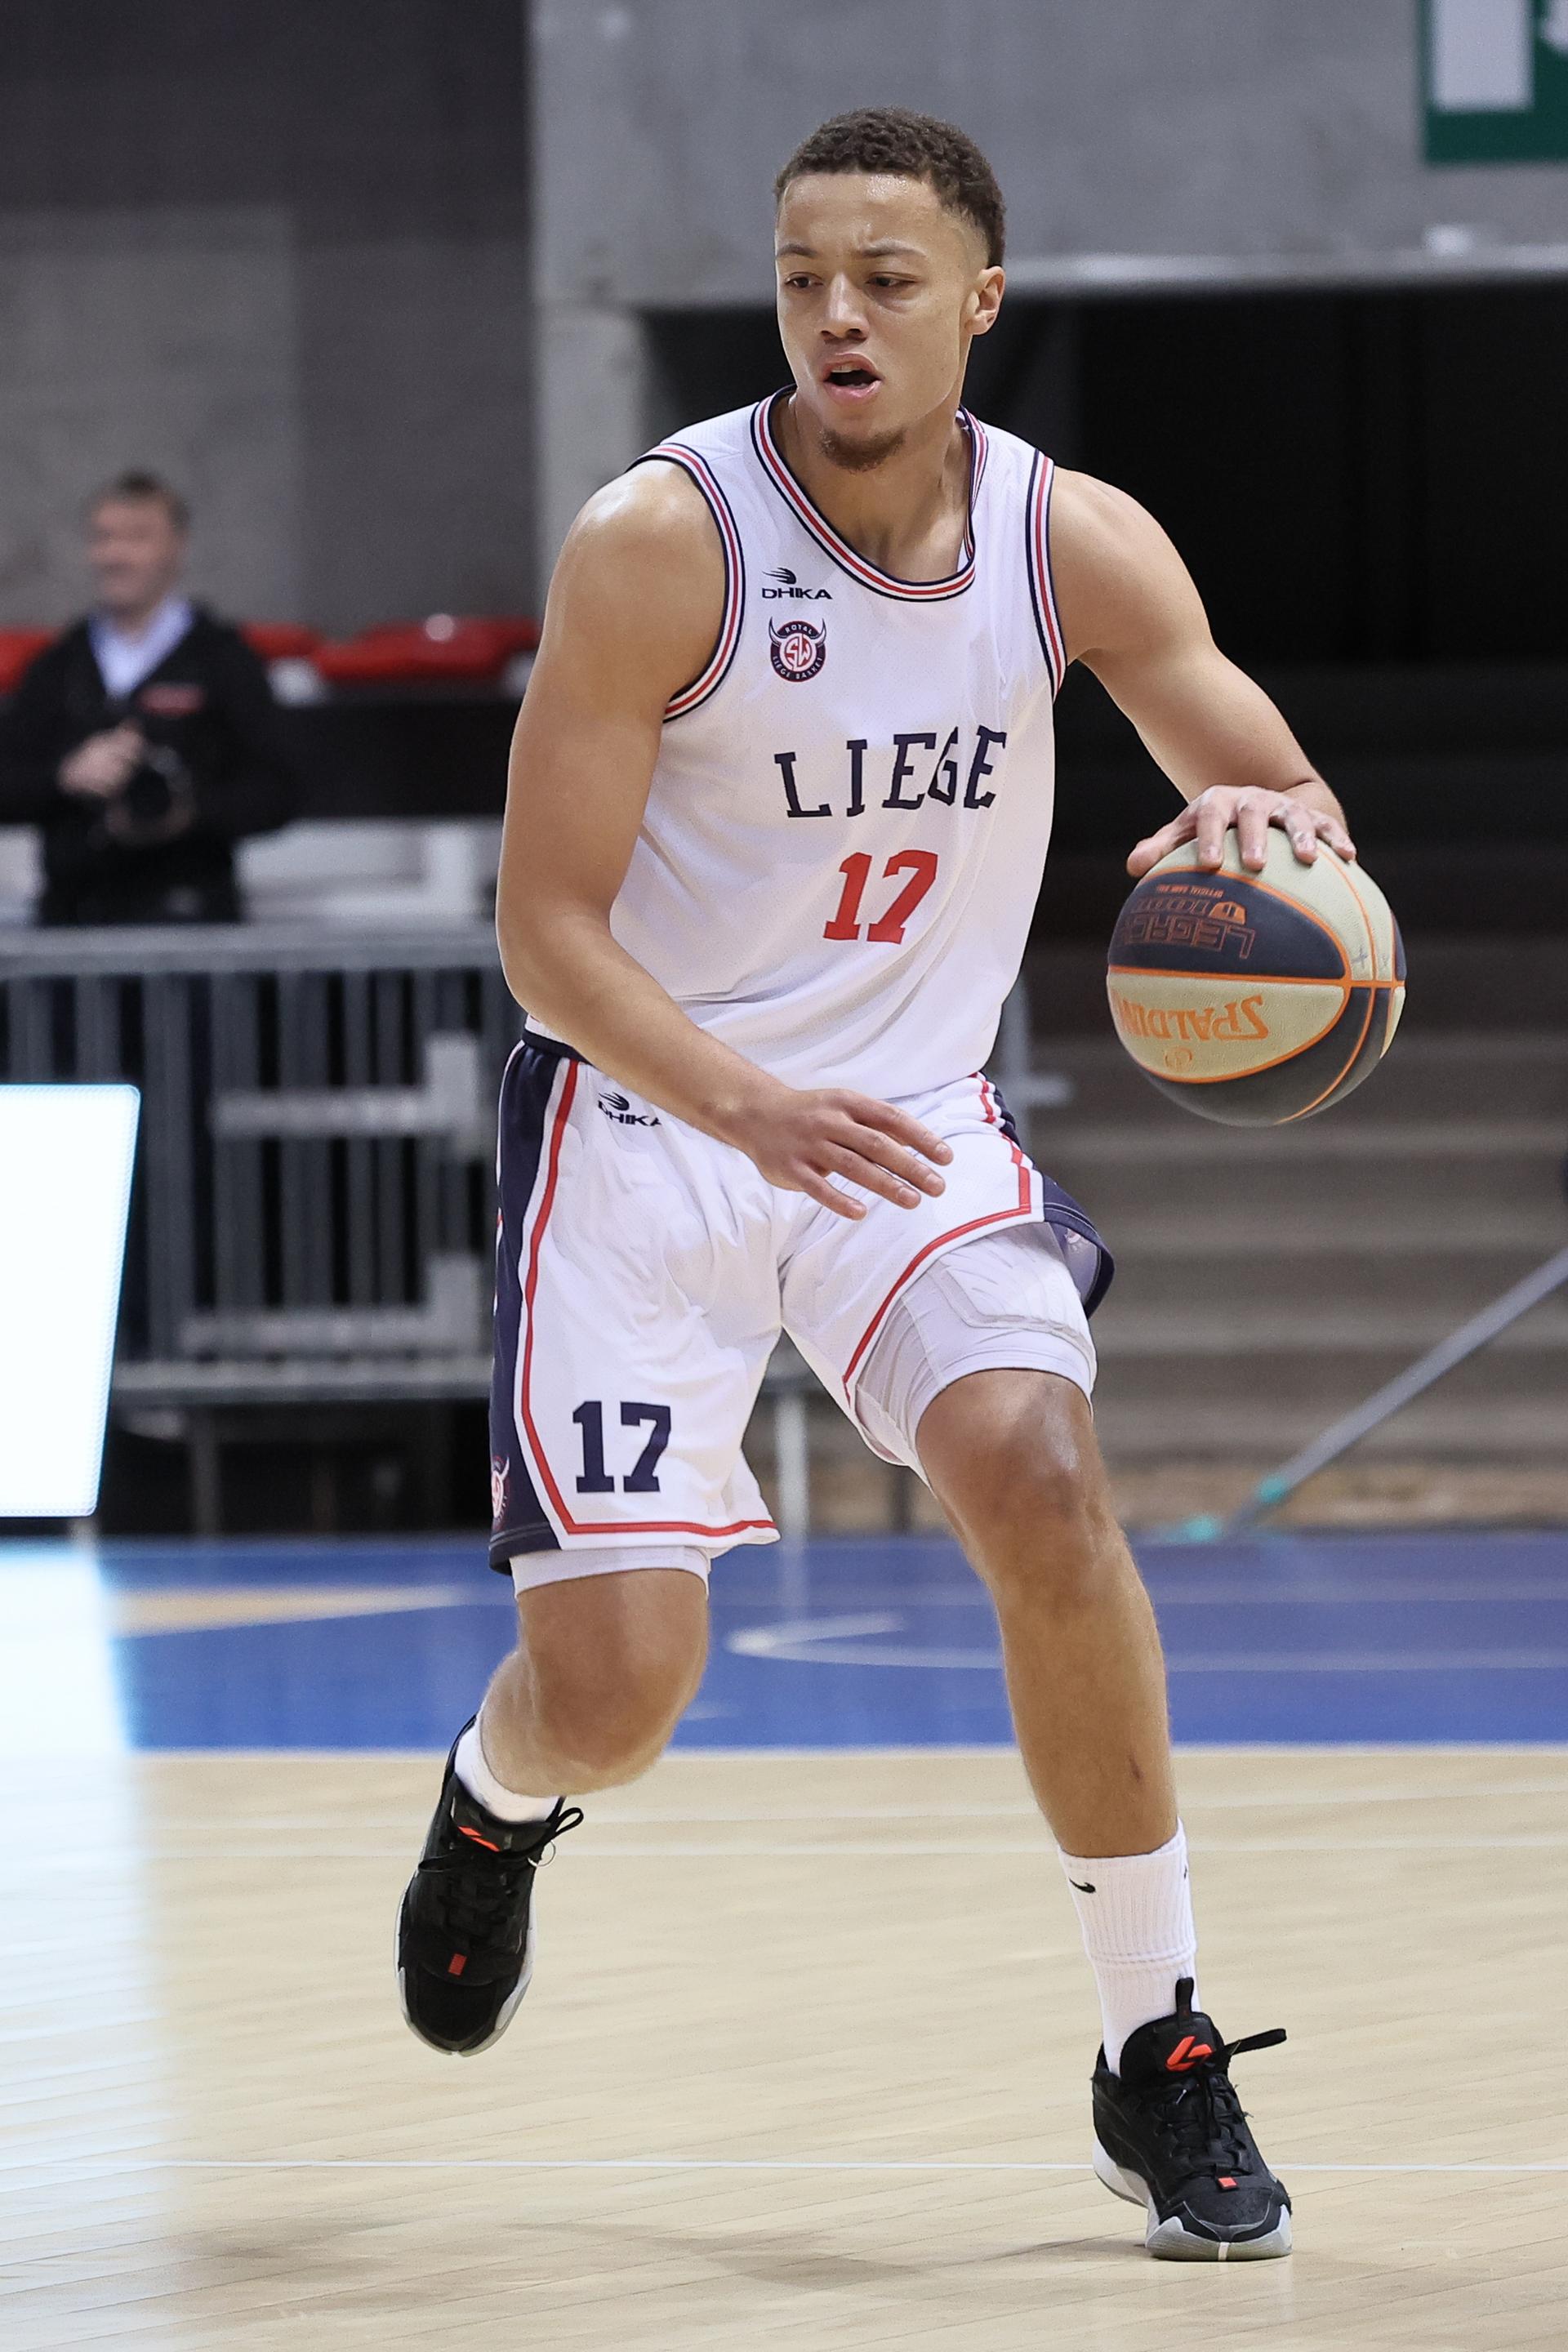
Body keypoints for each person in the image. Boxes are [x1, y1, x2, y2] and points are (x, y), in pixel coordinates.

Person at [397, 108, 1354, 2262]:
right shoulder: (664, 541)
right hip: (648, 1131)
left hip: (908, 1127)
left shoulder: (1070, 537)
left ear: (979, 304)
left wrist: (1262, 845)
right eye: (808, 275)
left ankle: (1157, 2042)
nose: (842, 312)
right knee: (624, 1698)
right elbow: (547, 933)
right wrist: (739, 1102)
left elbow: (1273, 783)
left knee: (1039, 1475)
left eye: (890, 278)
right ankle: (499, 1790)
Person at [0, 472, 297, 923]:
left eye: (137, 537)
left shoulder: (220, 659)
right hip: (75, 921)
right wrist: (66, 776)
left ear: (177, 547)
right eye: (103, 537)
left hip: (189, 919)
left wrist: (185, 810)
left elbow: (279, 789)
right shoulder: (59, 665)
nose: (116, 555)